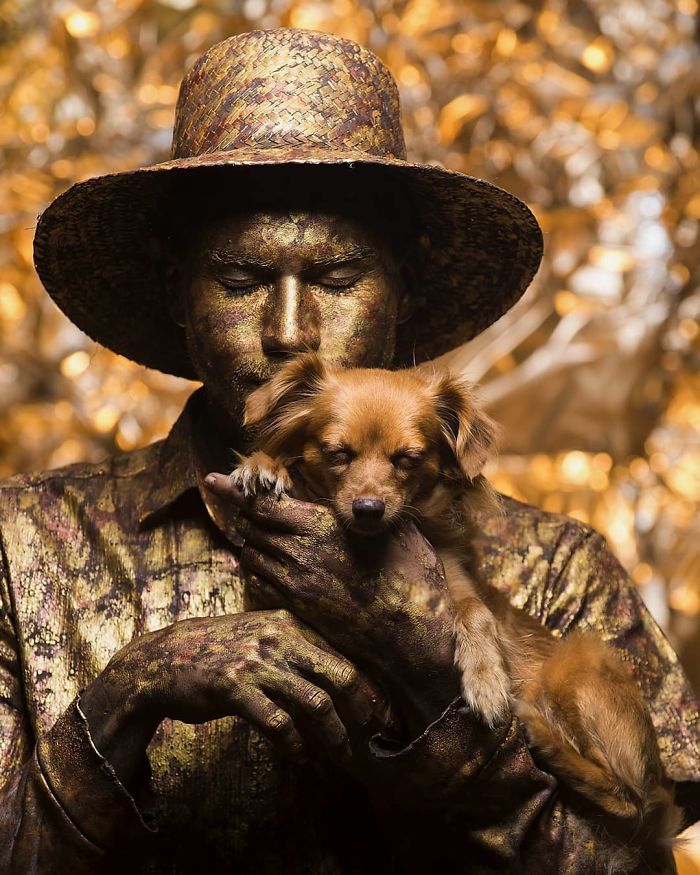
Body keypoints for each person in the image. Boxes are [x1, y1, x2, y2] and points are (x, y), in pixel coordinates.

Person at [1, 28, 698, 875]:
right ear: (175, 293)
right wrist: (127, 691)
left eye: (336, 281)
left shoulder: (558, 569)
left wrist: (433, 673)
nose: (288, 329)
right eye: (239, 280)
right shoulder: (24, 545)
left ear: (403, 292)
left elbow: (645, 857)